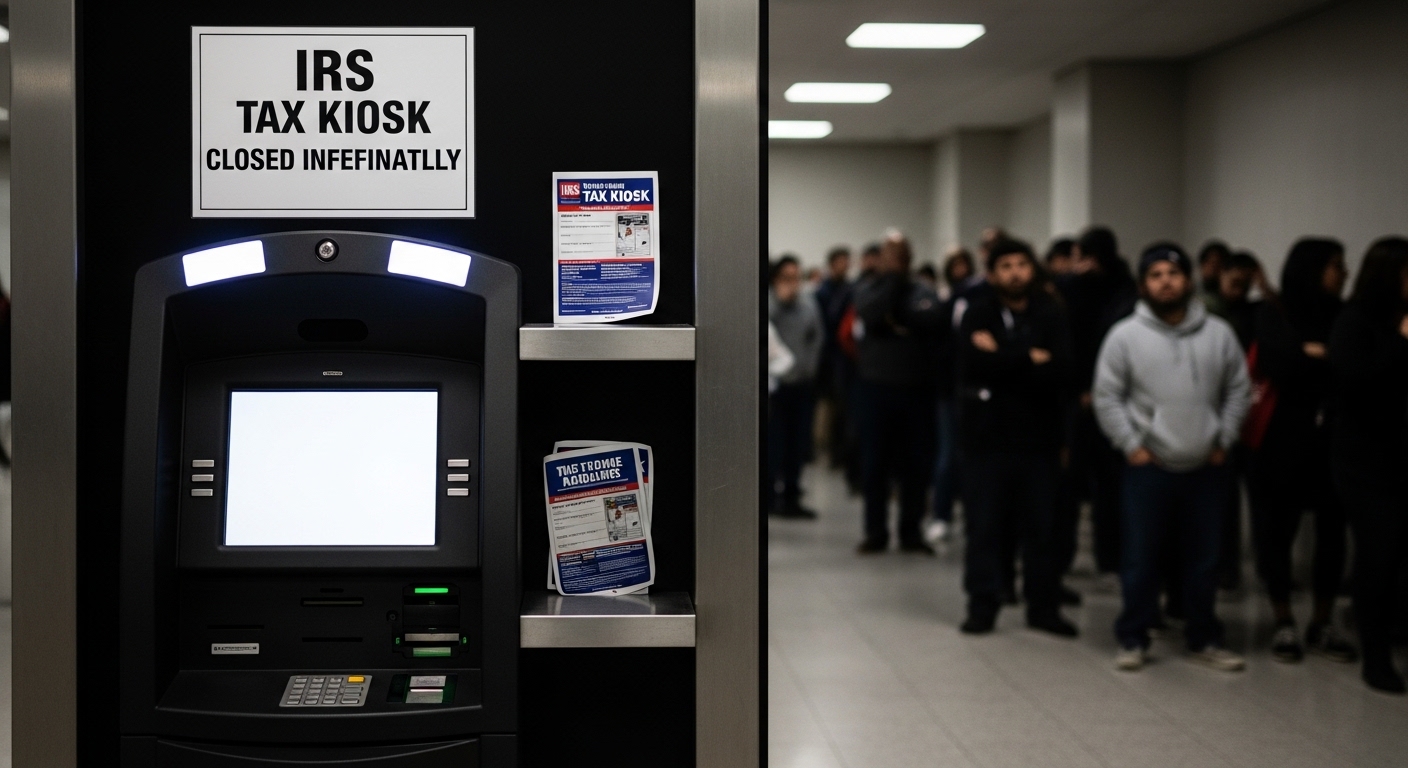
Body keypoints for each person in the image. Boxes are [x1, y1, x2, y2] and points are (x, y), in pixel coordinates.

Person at [1094, 243, 1251, 673]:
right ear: (1144, 284)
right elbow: (1108, 396)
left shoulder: (1218, 334)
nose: (1166, 282)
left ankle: (1203, 636)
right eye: (1157, 275)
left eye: (1174, 273)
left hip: (1206, 465)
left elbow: (1239, 389)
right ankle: (1133, 637)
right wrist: (1131, 444)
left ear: (1189, 280)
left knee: (1204, 560)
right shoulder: (1124, 336)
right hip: (1149, 466)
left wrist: (1225, 437)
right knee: (1141, 558)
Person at [957, 239, 1078, 637]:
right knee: (985, 528)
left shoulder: (1051, 313)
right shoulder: (978, 312)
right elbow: (972, 365)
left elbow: (1061, 370)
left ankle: (1043, 606)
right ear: (992, 274)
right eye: (1005, 265)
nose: (1014, 272)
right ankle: (982, 605)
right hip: (986, 441)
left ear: (1033, 269)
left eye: (1022, 264)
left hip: (1039, 442)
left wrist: (1002, 357)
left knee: (1042, 529)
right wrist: (1028, 357)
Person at [1250, 238, 1357, 664]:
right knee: (1278, 533)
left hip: (1333, 443)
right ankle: (1282, 620)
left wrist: (1317, 356)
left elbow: (1353, 365)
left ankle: (1322, 622)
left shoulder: (1345, 315)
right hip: (1281, 442)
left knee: (1332, 535)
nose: (1342, 273)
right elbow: (1282, 364)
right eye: (1334, 265)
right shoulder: (1275, 312)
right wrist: (1320, 357)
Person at [1328, 236, 1408, 694]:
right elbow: (1357, 382)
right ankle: (1376, 658)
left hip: (1401, 460)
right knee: (1377, 556)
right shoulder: (1355, 321)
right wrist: (1400, 343)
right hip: (1366, 463)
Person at [853, 234, 945, 553]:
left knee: (915, 465)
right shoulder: (868, 288)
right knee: (875, 463)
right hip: (876, 388)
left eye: (901, 255)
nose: (896, 260)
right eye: (890, 255)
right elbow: (872, 314)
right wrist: (891, 285)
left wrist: (895, 320)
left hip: (917, 390)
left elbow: (932, 319)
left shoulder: (923, 289)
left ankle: (911, 532)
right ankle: (875, 531)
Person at [1061, 226, 1137, 576]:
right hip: (1085, 396)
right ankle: (1076, 557)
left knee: (1105, 483)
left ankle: (1109, 557)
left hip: (1107, 396)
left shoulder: (1122, 291)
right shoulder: (1085, 289)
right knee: (1079, 483)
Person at [768, 256, 823, 519]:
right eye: (786, 278)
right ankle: (768, 498)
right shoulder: (766, 304)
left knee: (797, 444)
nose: (792, 284)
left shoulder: (809, 306)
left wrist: (808, 370)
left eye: (796, 278)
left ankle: (792, 497)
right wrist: (779, 300)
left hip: (801, 385)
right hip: (773, 388)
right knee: (772, 444)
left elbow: (817, 339)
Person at [813, 247, 854, 468]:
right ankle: (827, 449)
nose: (845, 265)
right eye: (841, 261)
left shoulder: (850, 289)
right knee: (827, 406)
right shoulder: (824, 292)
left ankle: (839, 452)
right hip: (828, 356)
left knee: (841, 407)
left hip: (843, 357)